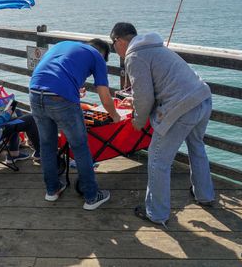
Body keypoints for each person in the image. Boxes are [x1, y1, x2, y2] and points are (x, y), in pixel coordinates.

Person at [110, 22, 215, 226]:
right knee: (197, 148)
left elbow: (146, 96)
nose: (115, 50)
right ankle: (205, 195)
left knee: (158, 161)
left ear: (119, 41)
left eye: (113, 45)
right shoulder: (157, 47)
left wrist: (138, 121)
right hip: (202, 98)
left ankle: (156, 213)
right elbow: (161, 85)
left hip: (182, 107)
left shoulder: (134, 56)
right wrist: (136, 100)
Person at [29, 38, 121, 210]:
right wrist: (115, 116)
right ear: (103, 54)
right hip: (60, 99)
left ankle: (52, 190)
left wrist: (73, 88)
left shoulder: (62, 45)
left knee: (47, 145)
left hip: (34, 92)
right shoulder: (97, 56)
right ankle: (92, 197)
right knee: (80, 147)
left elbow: (53, 73)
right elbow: (104, 95)